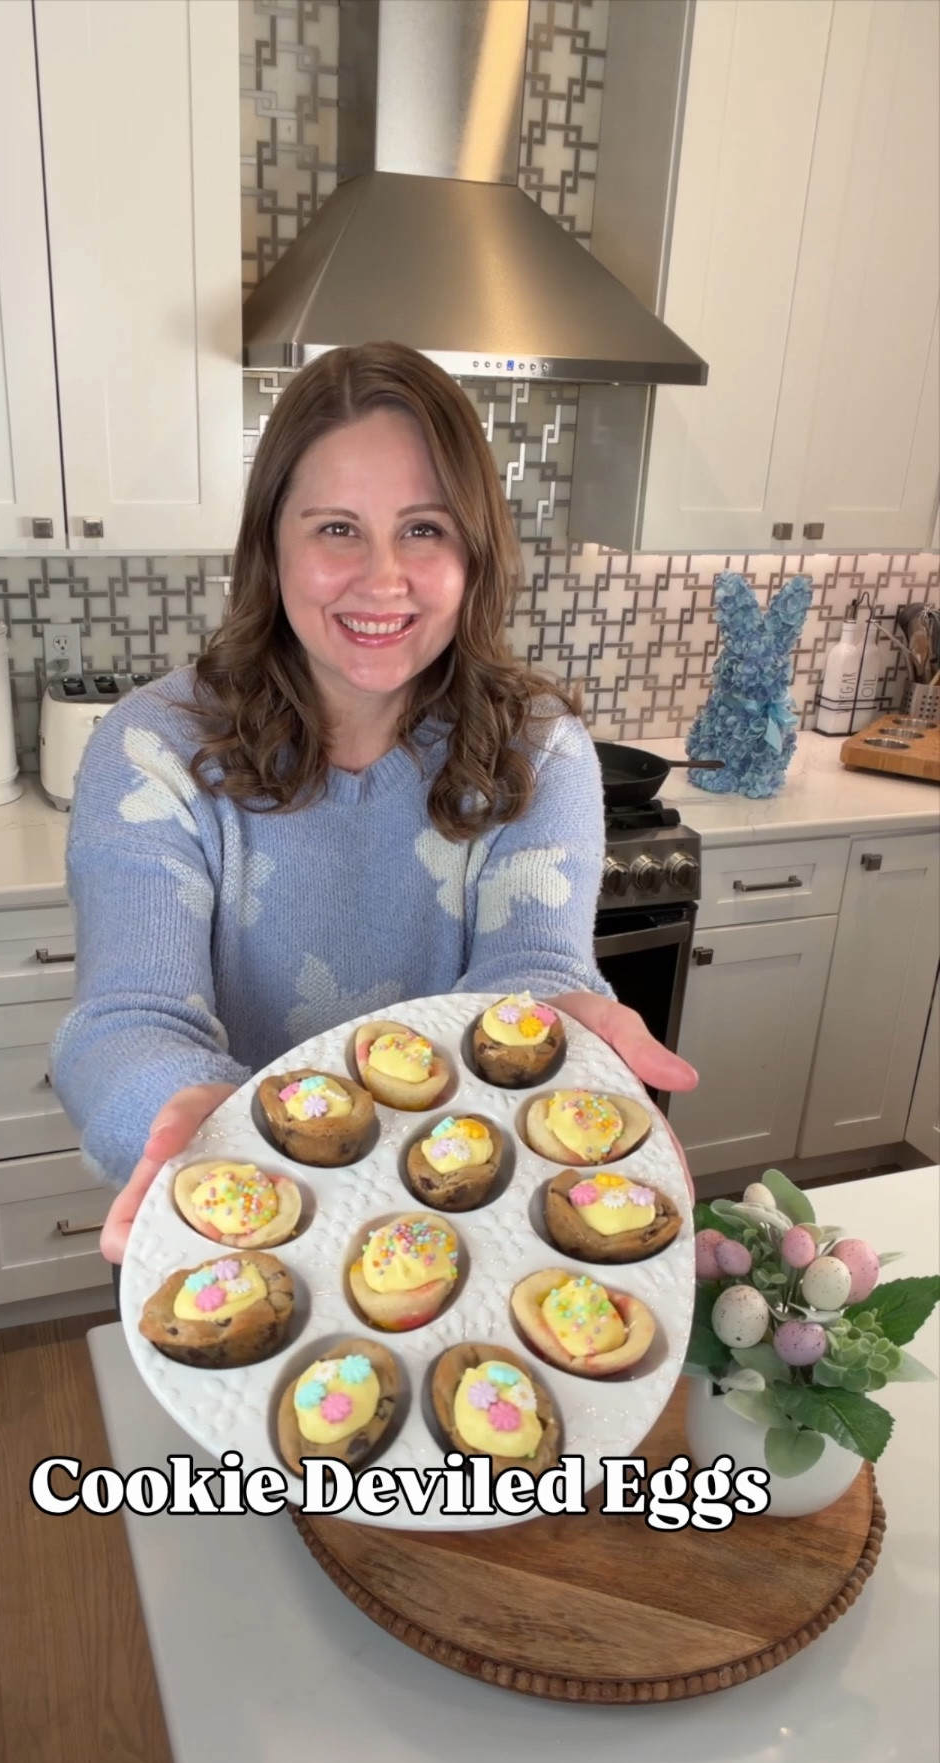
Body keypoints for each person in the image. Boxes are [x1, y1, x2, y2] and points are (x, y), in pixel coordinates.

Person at [50, 342, 697, 1268]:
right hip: (249, 1219)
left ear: (474, 551)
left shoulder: (537, 747)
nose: (383, 577)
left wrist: (559, 1014)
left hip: (469, 1234)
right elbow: (126, 1019)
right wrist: (186, 1110)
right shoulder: (154, 749)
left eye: (424, 528)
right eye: (336, 529)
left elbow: (526, 968)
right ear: (271, 545)